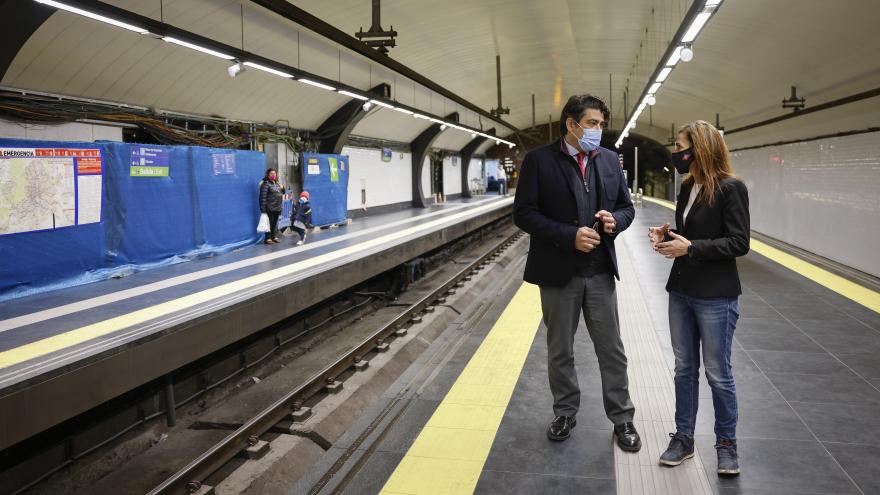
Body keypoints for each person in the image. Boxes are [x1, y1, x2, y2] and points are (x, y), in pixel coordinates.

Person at [513, 94, 640, 452]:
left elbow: (625, 208)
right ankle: (565, 412)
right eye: (592, 124)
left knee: (611, 349)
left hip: (599, 271)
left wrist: (616, 221)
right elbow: (523, 214)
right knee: (560, 349)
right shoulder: (539, 161)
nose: (598, 131)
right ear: (571, 124)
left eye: (601, 124)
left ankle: (622, 418)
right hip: (558, 272)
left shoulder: (611, 161)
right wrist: (568, 236)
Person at [648, 120, 749, 475]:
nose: (676, 152)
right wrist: (668, 234)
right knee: (684, 370)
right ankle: (684, 438)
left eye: (680, 145)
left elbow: (739, 242)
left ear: (700, 148)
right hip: (682, 292)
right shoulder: (689, 186)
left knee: (718, 373)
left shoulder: (730, 188)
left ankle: (726, 444)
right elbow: (694, 235)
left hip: (715, 296)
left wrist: (691, 246)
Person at [259, 168, 285, 244]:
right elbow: (262, 197)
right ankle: (267, 238)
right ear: (268, 175)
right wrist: (263, 209)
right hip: (269, 208)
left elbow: (282, 192)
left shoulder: (277, 183)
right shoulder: (265, 184)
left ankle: (273, 237)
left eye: (274, 173)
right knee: (269, 223)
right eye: (271, 174)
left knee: (274, 224)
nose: (273, 175)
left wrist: (283, 188)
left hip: (277, 207)